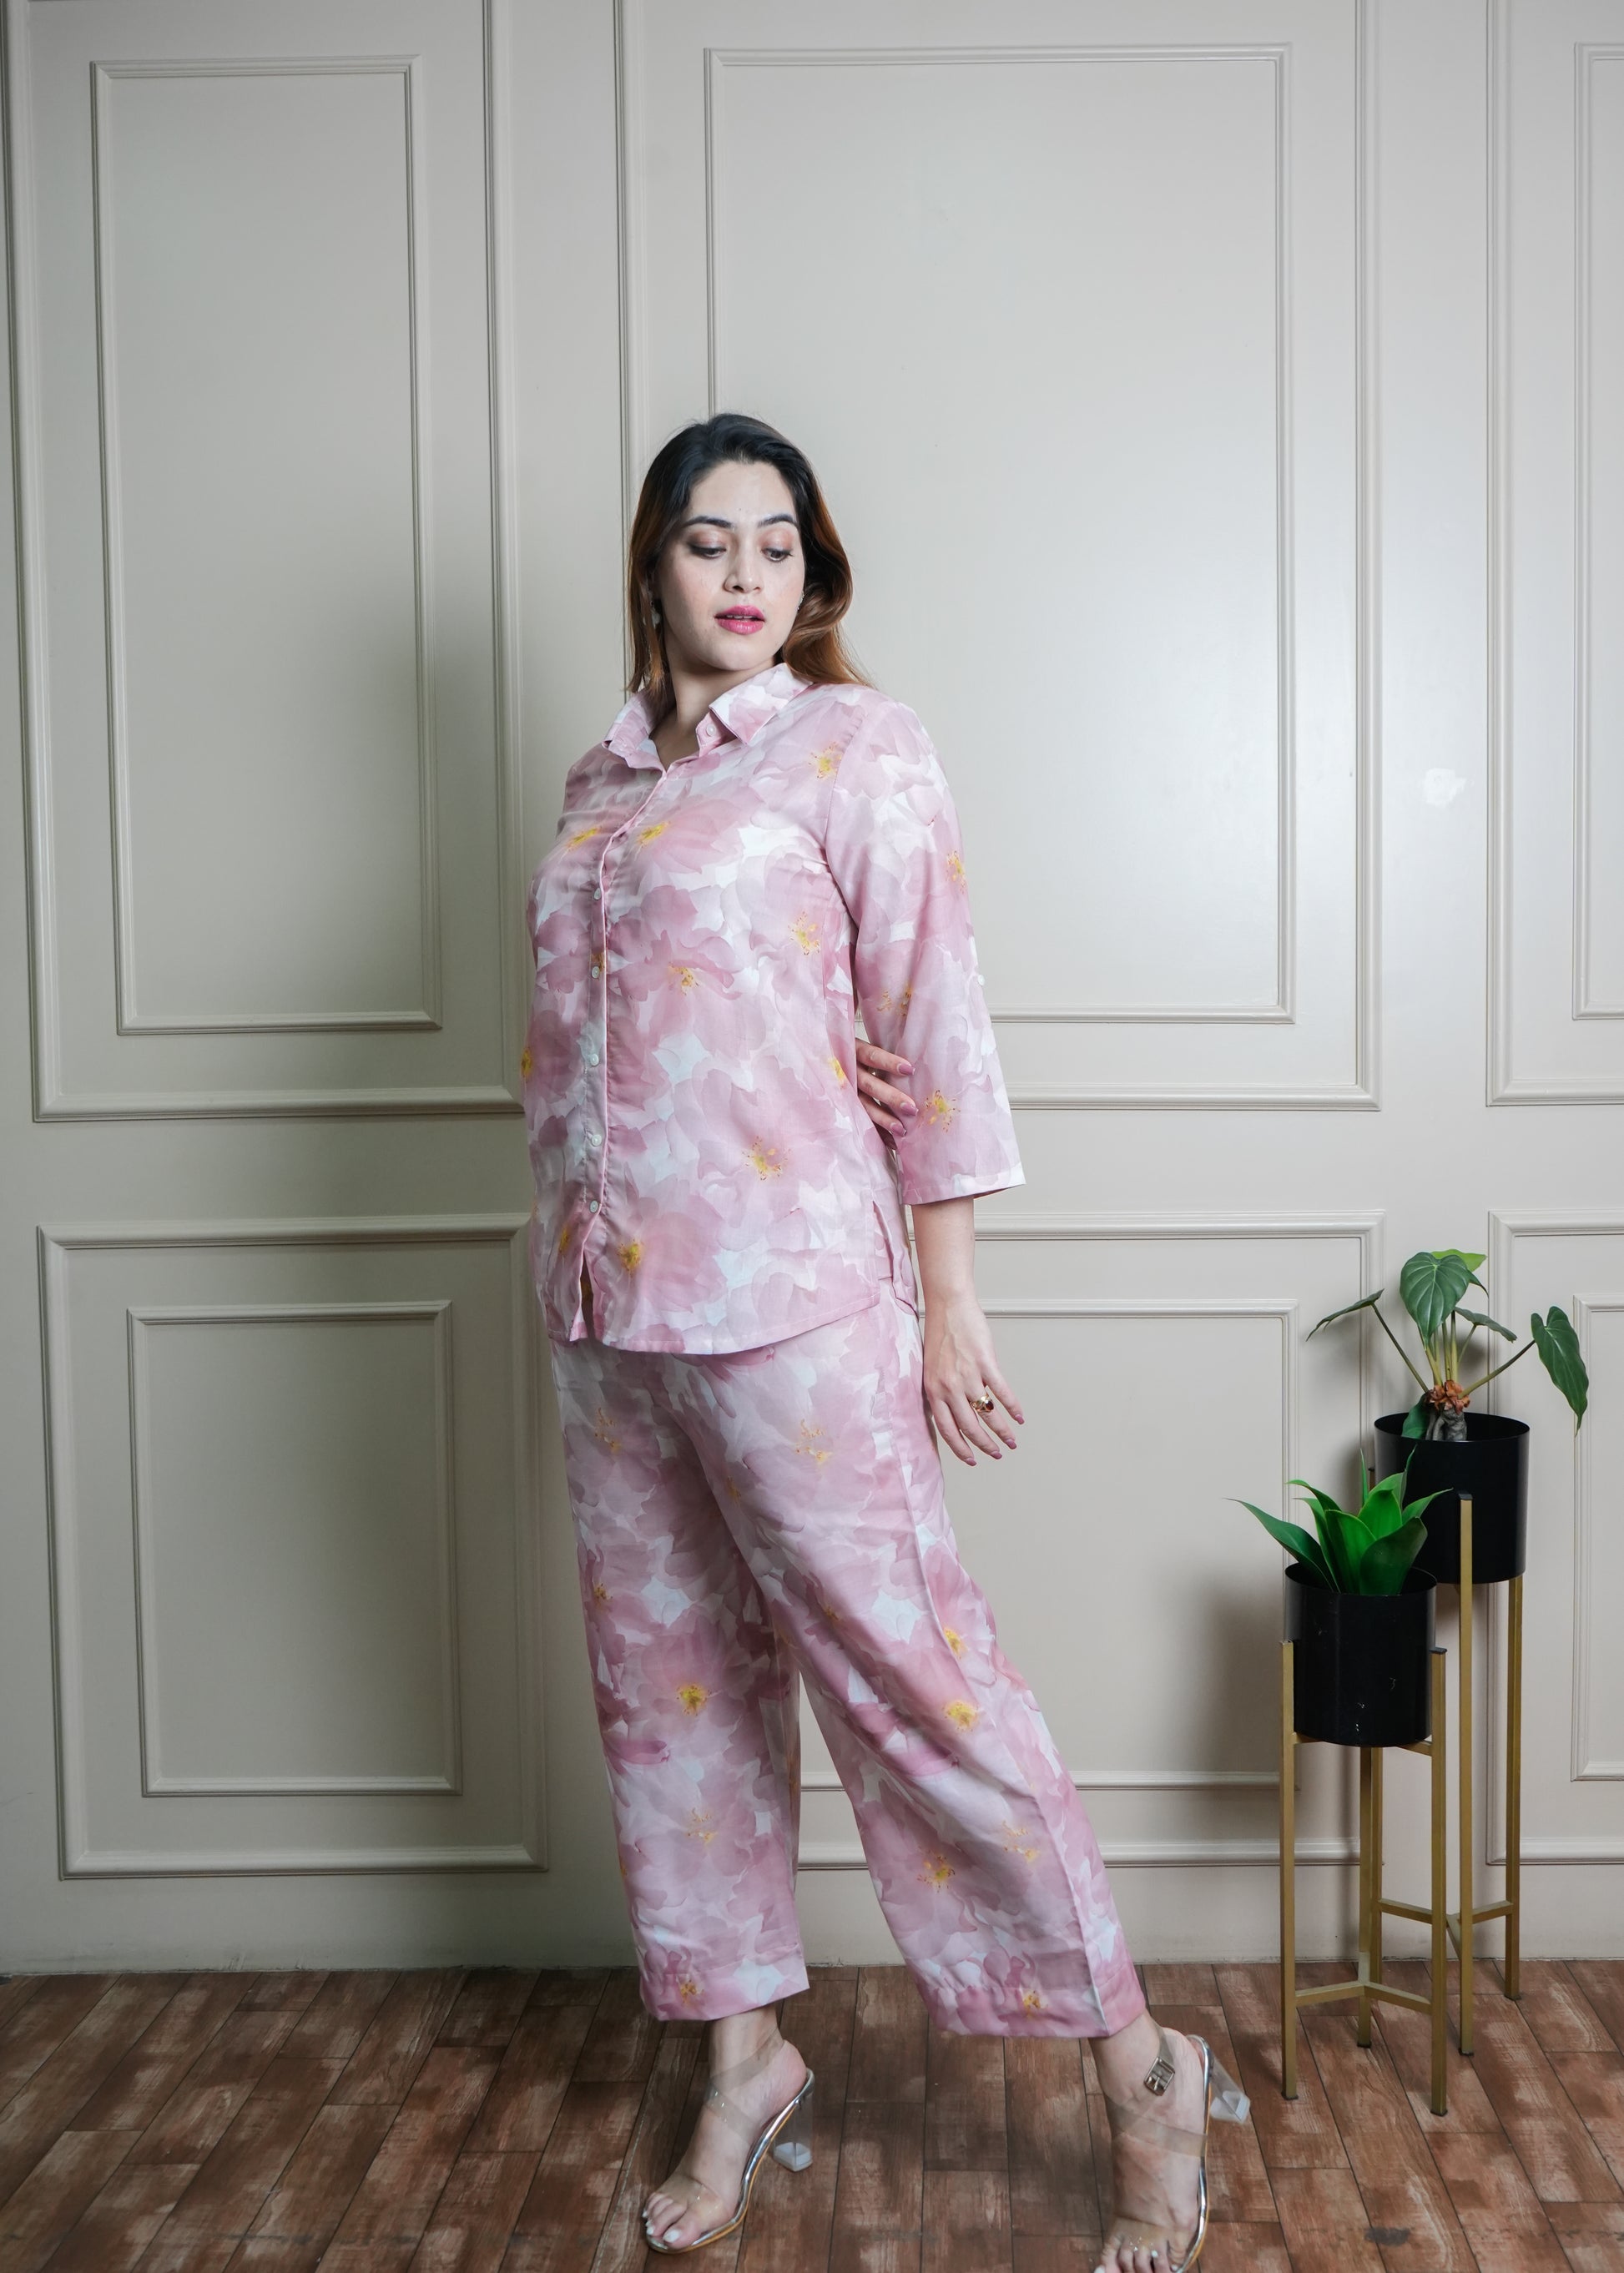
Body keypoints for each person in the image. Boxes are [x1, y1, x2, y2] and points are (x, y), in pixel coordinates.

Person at [521, 412, 1246, 2272]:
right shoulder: (600, 784)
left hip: (795, 1305)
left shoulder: (858, 749)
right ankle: (742, 2059)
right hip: (607, 1316)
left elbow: (932, 1024)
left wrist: (949, 1299)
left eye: (777, 543)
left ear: (813, 571)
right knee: (669, 1703)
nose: (745, 573)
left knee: (922, 1688)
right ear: (653, 566)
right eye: (708, 540)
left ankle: (1140, 2071)